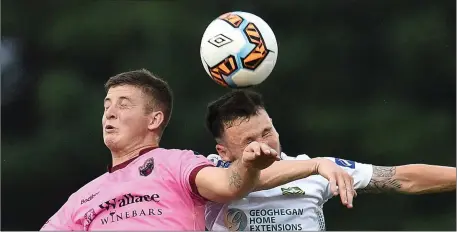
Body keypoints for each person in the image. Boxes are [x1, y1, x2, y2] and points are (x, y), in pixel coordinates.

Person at [40, 69, 353, 231]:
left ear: (154, 119)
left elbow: (230, 184)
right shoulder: (83, 198)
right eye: (107, 105)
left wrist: (313, 165)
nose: (109, 113)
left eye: (123, 105)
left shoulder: (175, 164)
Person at [204, 89, 456, 231]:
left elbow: (401, 178)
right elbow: (239, 181)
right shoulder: (207, 172)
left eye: (267, 132)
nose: (264, 143)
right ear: (223, 151)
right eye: (249, 141)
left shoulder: (320, 169)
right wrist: (315, 165)